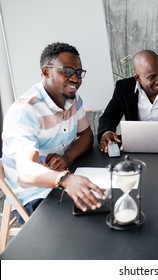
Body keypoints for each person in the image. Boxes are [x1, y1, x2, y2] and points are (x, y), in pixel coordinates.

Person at [2, 42, 106, 222]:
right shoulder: (25, 112)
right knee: (87, 223)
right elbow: (26, 171)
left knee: (105, 206)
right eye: (66, 71)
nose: (75, 78)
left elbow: (86, 136)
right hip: (34, 194)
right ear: (45, 71)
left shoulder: (73, 100)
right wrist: (65, 179)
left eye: (79, 73)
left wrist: (66, 158)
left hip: (63, 178)